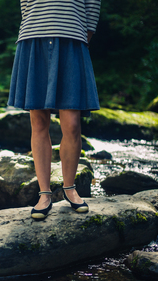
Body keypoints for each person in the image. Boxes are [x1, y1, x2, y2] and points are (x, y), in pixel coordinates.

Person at [8, 0, 101, 219]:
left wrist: (82, 34)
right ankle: (44, 194)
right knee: (39, 122)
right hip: (33, 38)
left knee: (72, 124)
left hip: (72, 39)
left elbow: (92, 3)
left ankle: (70, 189)